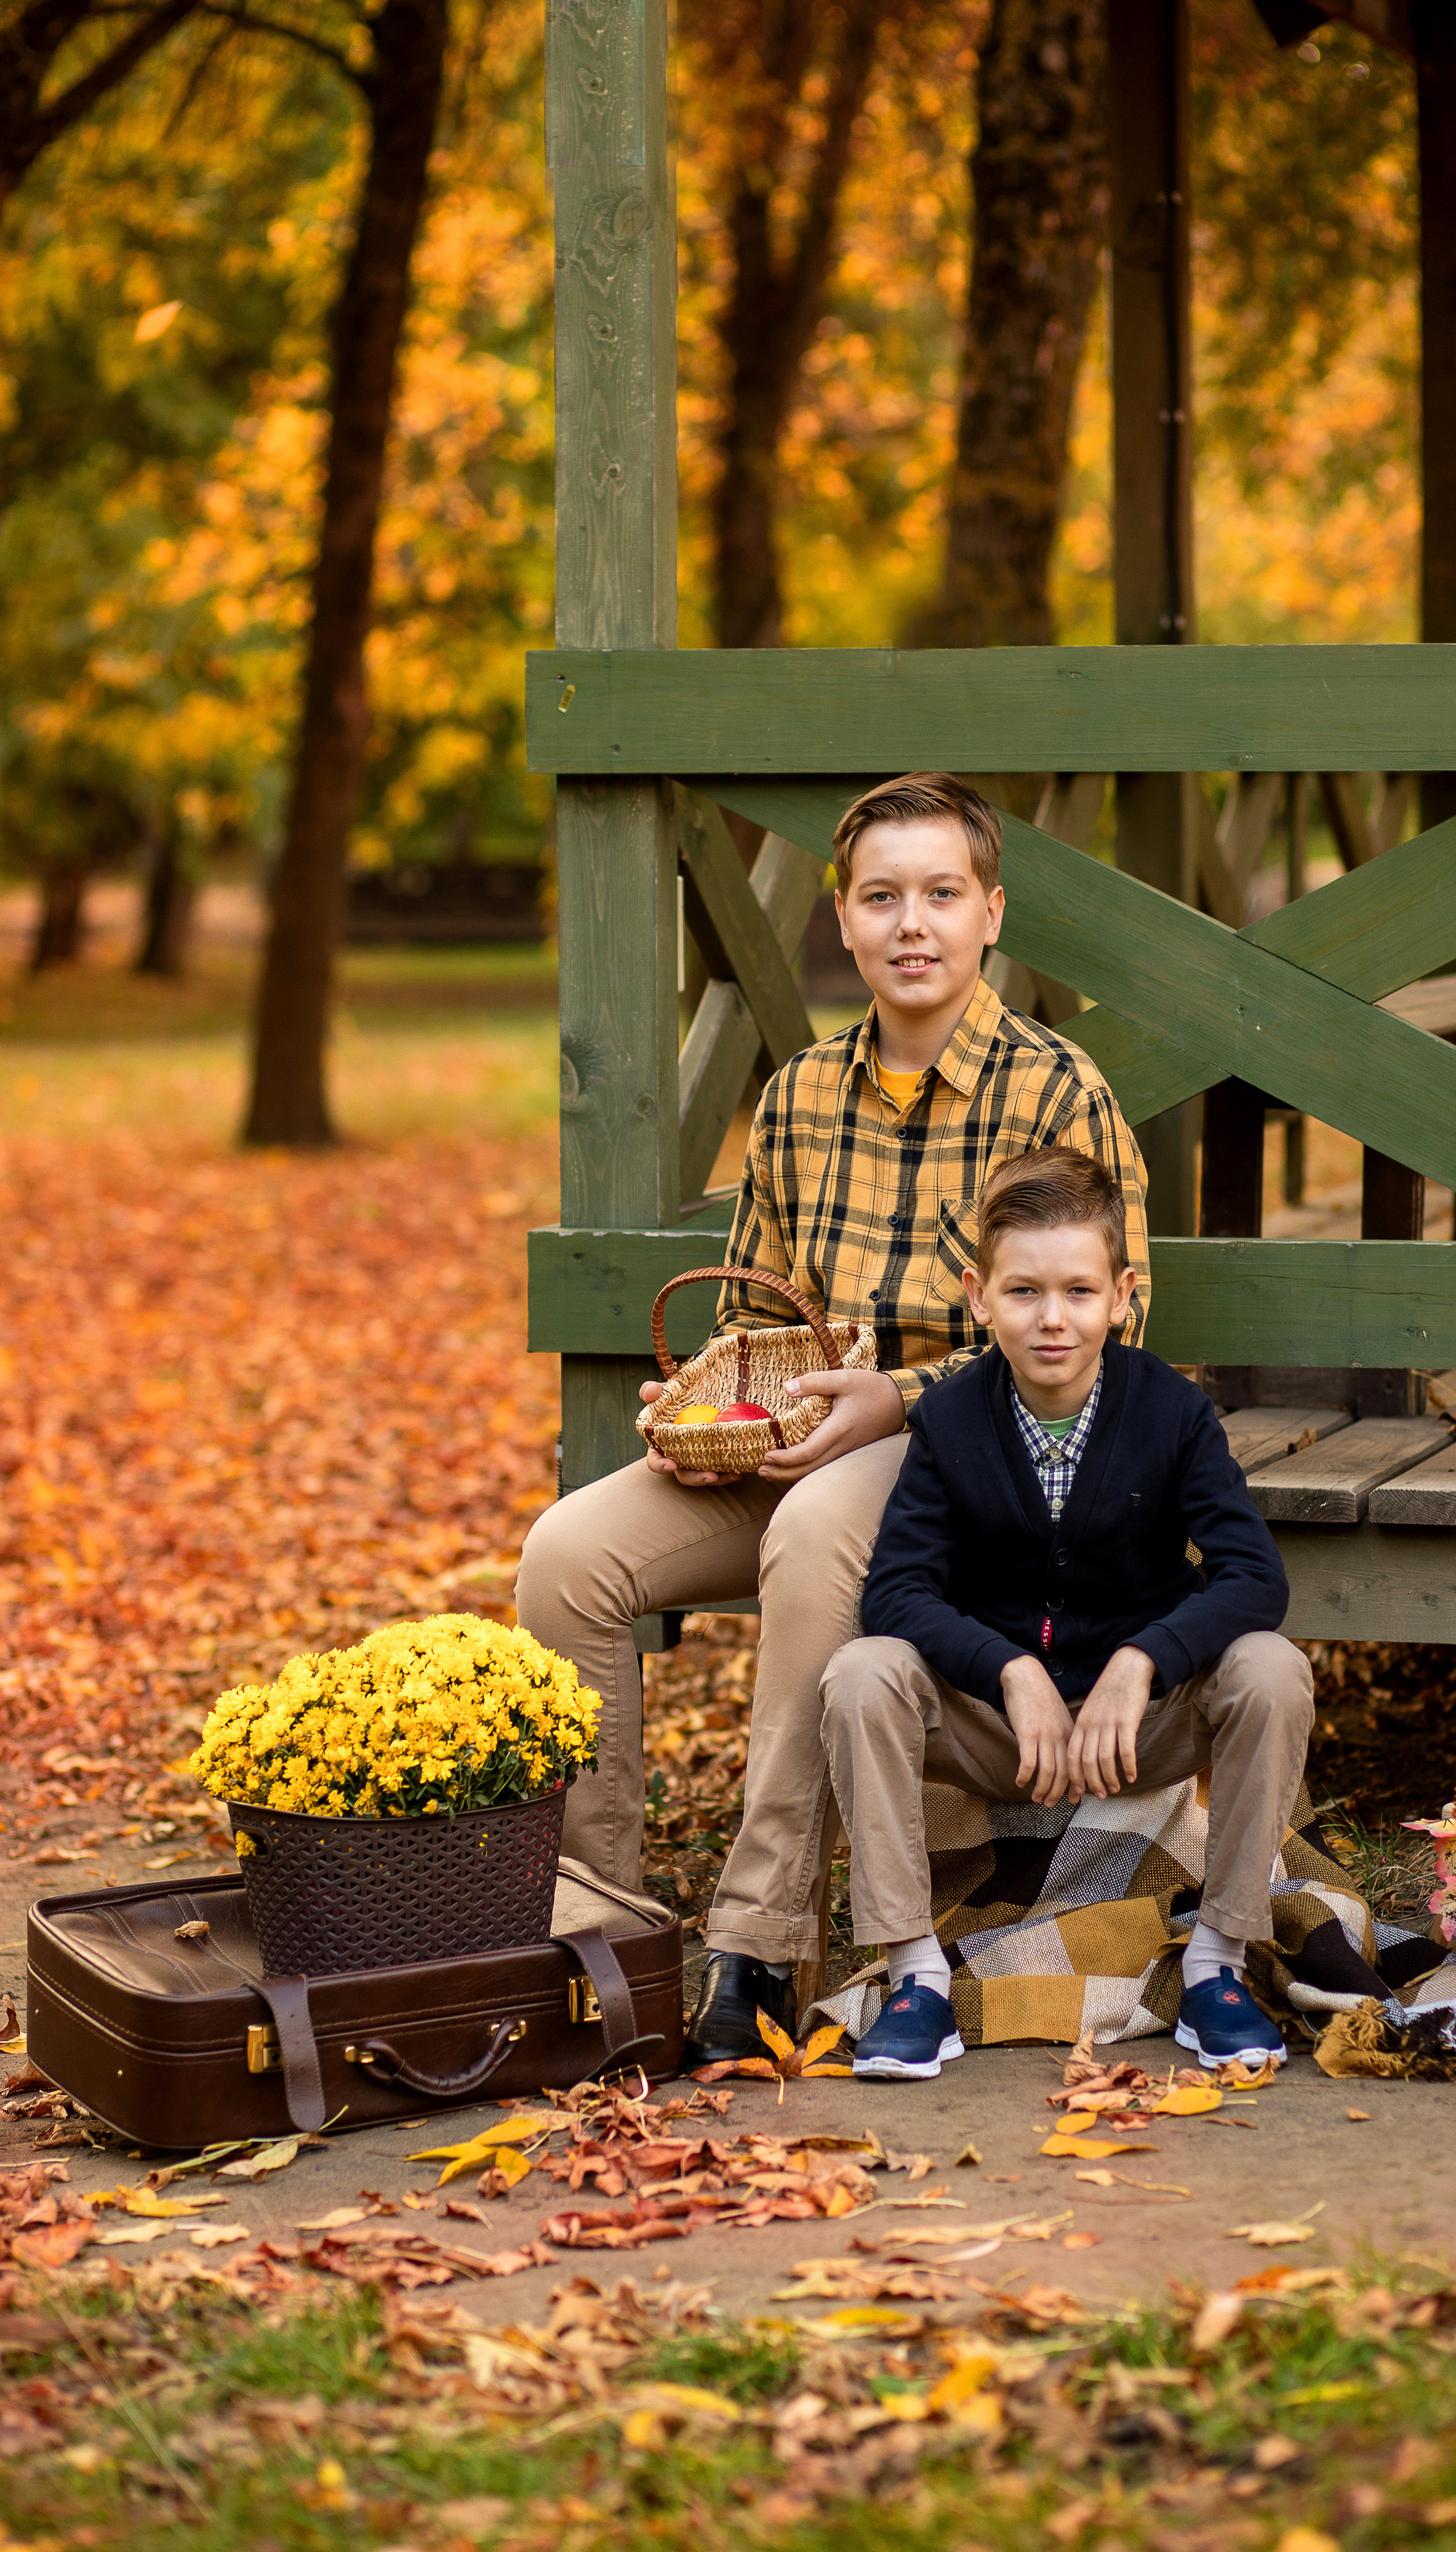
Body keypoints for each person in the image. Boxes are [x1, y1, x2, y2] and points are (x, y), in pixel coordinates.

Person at [515, 773, 1150, 2068]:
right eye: (879, 897)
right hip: (808, 1435)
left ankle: (757, 1948)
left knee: (811, 1536)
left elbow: (1102, 1341)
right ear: (844, 922)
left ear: (989, 915)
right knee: (566, 1556)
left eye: (938, 894)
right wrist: (714, 1407)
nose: (909, 924)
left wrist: (896, 1402)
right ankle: (604, 1926)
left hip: (973, 1452)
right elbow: (760, 1311)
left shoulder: (1052, 1092)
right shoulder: (801, 1097)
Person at [819, 1144, 1313, 2081]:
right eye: (1024, 1292)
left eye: (1081, 1292)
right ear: (978, 1295)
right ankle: (916, 1975)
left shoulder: (1172, 1413)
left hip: (1141, 1731)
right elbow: (896, 1591)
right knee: (862, 1672)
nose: (1054, 1320)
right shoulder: (953, 1420)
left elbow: (1255, 1576)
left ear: (1122, 1295)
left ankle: (1218, 1964)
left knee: (1271, 1668)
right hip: (1002, 1733)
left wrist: (1143, 1662)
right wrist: (1009, 1672)